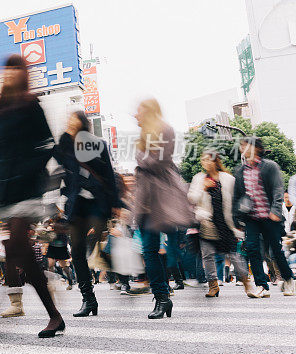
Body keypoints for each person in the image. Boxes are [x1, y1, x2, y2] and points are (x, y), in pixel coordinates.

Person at [0, 55, 64, 338]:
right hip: (10, 187)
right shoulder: (1, 106)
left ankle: (52, 315)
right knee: (17, 252)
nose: (7, 74)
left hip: (29, 184)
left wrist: (34, 170)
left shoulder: (30, 103)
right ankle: (53, 313)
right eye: (5, 69)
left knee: (19, 246)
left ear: (22, 73)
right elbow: (4, 150)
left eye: (13, 69)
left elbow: (48, 143)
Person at [54, 111, 120, 317]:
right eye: (68, 120)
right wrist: (66, 138)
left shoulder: (96, 143)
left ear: (83, 123)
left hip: (96, 201)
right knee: (77, 251)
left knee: (94, 246)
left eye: (74, 120)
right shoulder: (65, 145)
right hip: (77, 203)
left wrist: (115, 204)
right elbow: (58, 160)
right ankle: (88, 299)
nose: (70, 122)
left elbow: (108, 172)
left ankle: (118, 274)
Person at [132, 99, 193, 319]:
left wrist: (141, 157)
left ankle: (167, 291)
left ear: (149, 112)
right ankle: (162, 298)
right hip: (146, 200)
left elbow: (158, 161)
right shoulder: (143, 136)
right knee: (149, 251)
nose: (135, 115)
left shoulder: (165, 129)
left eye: (138, 111)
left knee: (165, 249)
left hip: (162, 198)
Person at [232, 137, 296, 297]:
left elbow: (277, 189)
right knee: (253, 250)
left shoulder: (269, 167)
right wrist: (237, 218)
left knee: (276, 250)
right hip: (252, 218)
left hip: (270, 216)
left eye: (245, 146)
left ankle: (289, 279)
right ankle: (262, 286)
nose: (242, 149)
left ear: (256, 148)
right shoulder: (240, 171)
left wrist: (275, 210)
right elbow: (237, 196)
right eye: (241, 147)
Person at [188, 150, 253, 298]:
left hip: (225, 222)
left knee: (234, 255)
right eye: (203, 160)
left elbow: (237, 198)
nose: (206, 163)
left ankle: (246, 283)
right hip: (207, 222)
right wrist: (203, 188)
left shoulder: (228, 178)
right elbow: (192, 198)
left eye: (208, 160)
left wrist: (239, 220)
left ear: (216, 161)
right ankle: (213, 286)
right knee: (208, 255)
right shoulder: (198, 178)